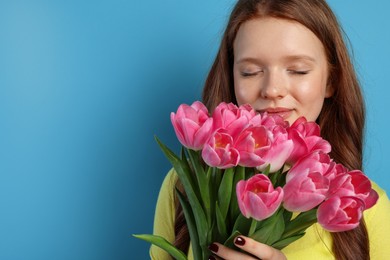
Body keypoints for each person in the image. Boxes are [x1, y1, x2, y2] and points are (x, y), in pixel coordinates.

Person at [150, 0, 390, 259]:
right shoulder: (185, 185)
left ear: (331, 81)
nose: (272, 90)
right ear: (231, 77)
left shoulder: (360, 205)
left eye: (298, 70)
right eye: (250, 72)